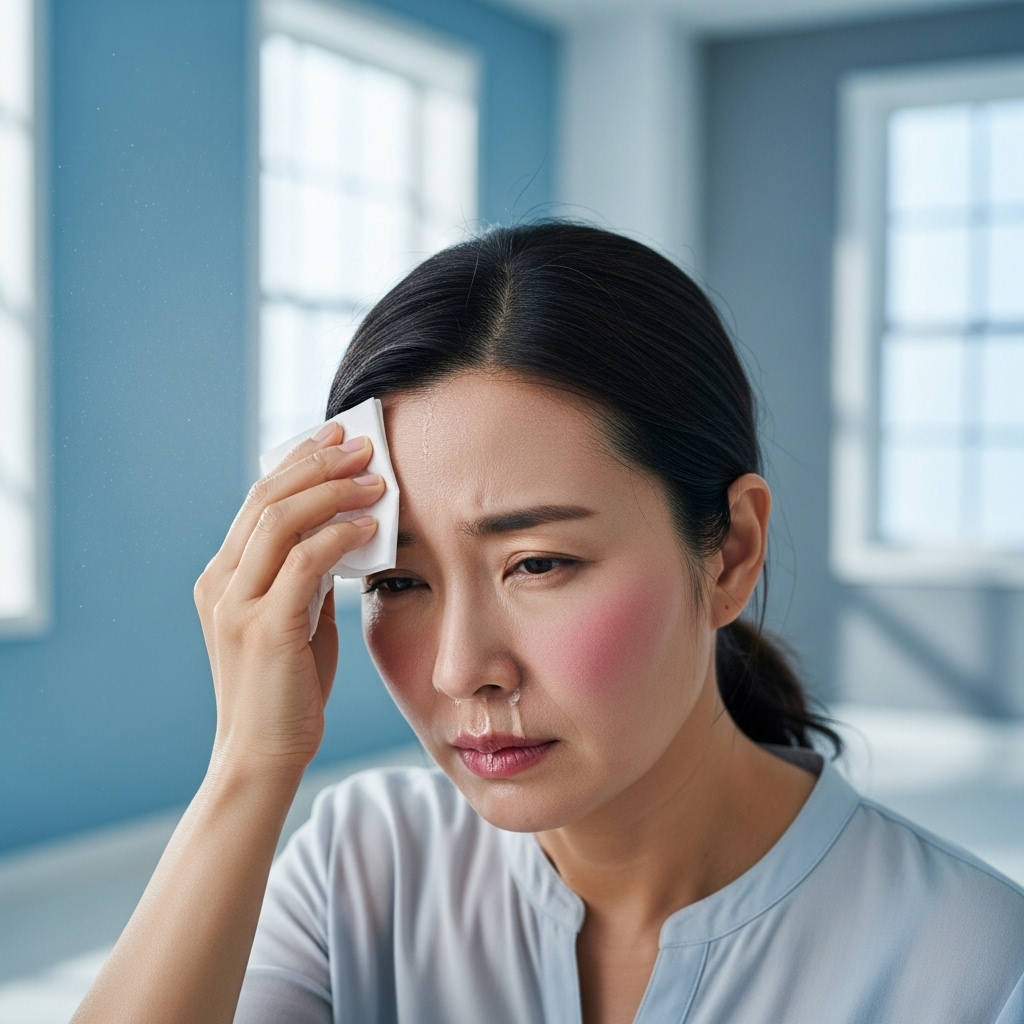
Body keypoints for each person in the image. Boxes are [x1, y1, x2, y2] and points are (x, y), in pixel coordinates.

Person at [72, 224, 1024, 1024]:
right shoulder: (362, 868)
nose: (460, 670)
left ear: (731, 552)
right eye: (399, 581)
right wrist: (247, 767)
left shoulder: (977, 967)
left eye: (537, 564)